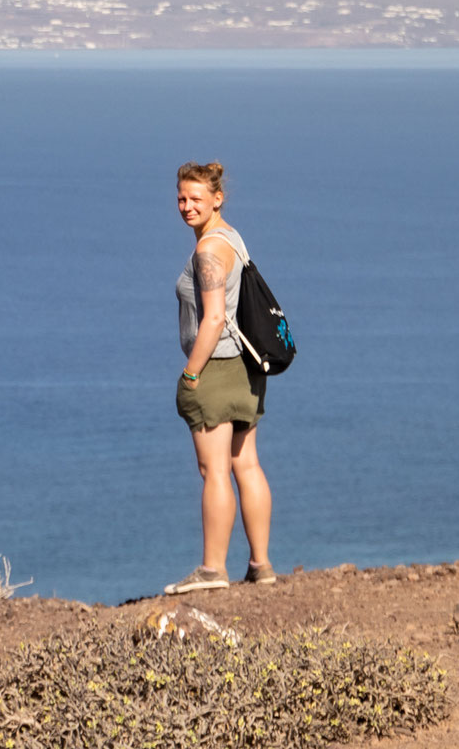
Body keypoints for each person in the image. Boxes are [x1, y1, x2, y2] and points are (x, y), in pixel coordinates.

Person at [163, 161, 275, 595]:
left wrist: (191, 373)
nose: (186, 206)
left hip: (216, 368)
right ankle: (261, 565)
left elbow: (212, 320)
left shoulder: (208, 251)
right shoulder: (233, 237)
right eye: (180, 198)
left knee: (214, 471)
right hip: (247, 371)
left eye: (195, 198)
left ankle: (212, 570)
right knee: (246, 464)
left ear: (217, 198)